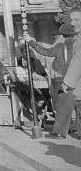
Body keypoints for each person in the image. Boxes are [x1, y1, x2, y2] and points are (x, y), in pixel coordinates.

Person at [25, 9, 81, 139]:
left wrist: (31, 42)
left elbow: (45, 51)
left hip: (65, 81)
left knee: (62, 108)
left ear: (63, 35)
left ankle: (60, 133)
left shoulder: (60, 47)